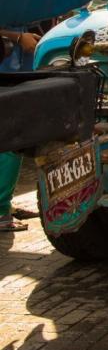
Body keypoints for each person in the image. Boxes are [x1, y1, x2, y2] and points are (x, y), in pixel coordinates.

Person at [0, 29, 42, 232]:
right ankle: (1, 212)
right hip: (6, 70)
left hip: (16, 70)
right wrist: (17, 37)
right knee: (11, 141)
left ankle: (6, 205)